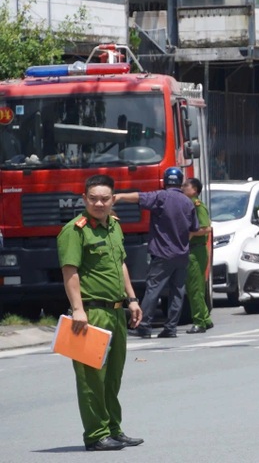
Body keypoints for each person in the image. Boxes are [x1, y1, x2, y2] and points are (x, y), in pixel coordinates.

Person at [57, 174, 144, 451]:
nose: (98, 203)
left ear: (112, 200)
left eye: (104, 198)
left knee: (113, 376)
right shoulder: (75, 230)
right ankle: (96, 435)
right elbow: (69, 271)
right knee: (91, 378)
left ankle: (113, 429)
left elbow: (120, 266)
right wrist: (78, 309)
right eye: (93, 198)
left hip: (117, 312)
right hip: (91, 313)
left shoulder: (114, 226)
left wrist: (132, 299)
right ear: (84, 199)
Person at [116, 167, 199, 339]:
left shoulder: (161, 197)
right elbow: (194, 228)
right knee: (177, 292)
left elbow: (139, 197)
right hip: (182, 255)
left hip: (162, 254)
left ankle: (144, 326)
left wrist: (119, 196)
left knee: (153, 290)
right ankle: (171, 328)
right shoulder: (188, 202)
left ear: (165, 181)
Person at [182, 178, 214, 334]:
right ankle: (205, 318)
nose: (182, 188)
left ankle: (199, 322)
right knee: (195, 287)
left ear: (194, 190)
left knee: (195, 288)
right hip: (193, 250)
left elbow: (206, 228)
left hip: (196, 250)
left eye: (186, 186)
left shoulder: (196, 205)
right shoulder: (189, 204)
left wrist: (188, 235)